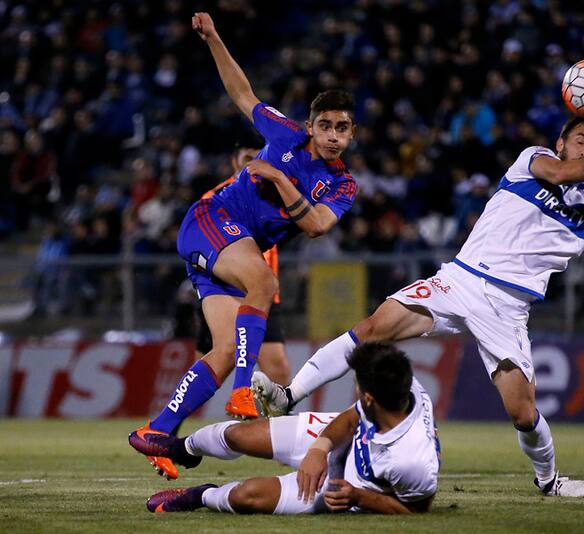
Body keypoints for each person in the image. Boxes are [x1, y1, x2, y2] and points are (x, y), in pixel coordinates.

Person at [254, 116, 584, 497]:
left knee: (523, 413)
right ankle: (288, 395)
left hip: (507, 308)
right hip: (459, 280)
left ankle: (549, 480)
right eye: (580, 140)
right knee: (373, 327)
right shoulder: (533, 161)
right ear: (561, 142)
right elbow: (561, 174)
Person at [130, 11, 358, 480]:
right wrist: (213, 37)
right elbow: (241, 93)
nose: (334, 136)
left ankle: (156, 430)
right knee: (264, 282)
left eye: (343, 128)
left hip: (226, 249)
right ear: (310, 126)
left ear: (352, 133)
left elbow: (317, 225)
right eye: (326, 126)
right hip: (212, 220)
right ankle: (242, 392)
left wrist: (278, 178)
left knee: (220, 350)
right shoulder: (286, 133)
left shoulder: (344, 185)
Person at [130, 343, 439, 515]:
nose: (356, 390)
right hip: (342, 440)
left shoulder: (412, 461)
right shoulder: (402, 386)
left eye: (359, 387)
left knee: (246, 496)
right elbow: (352, 416)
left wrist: (358, 496)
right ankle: (183, 448)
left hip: (347, 485)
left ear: (370, 397)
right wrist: (319, 449)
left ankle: (201, 495)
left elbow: (416, 510)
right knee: (238, 435)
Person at [194, 143, 290, 387]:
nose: (253, 164)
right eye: (247, 158)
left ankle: (260, 412)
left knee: (277, 369)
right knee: (215, 360)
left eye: (258, 158)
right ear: (234, 162)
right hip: (224, 288)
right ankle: (178, 412)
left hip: (263, 290)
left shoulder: (274, 194)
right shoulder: (216, 197)